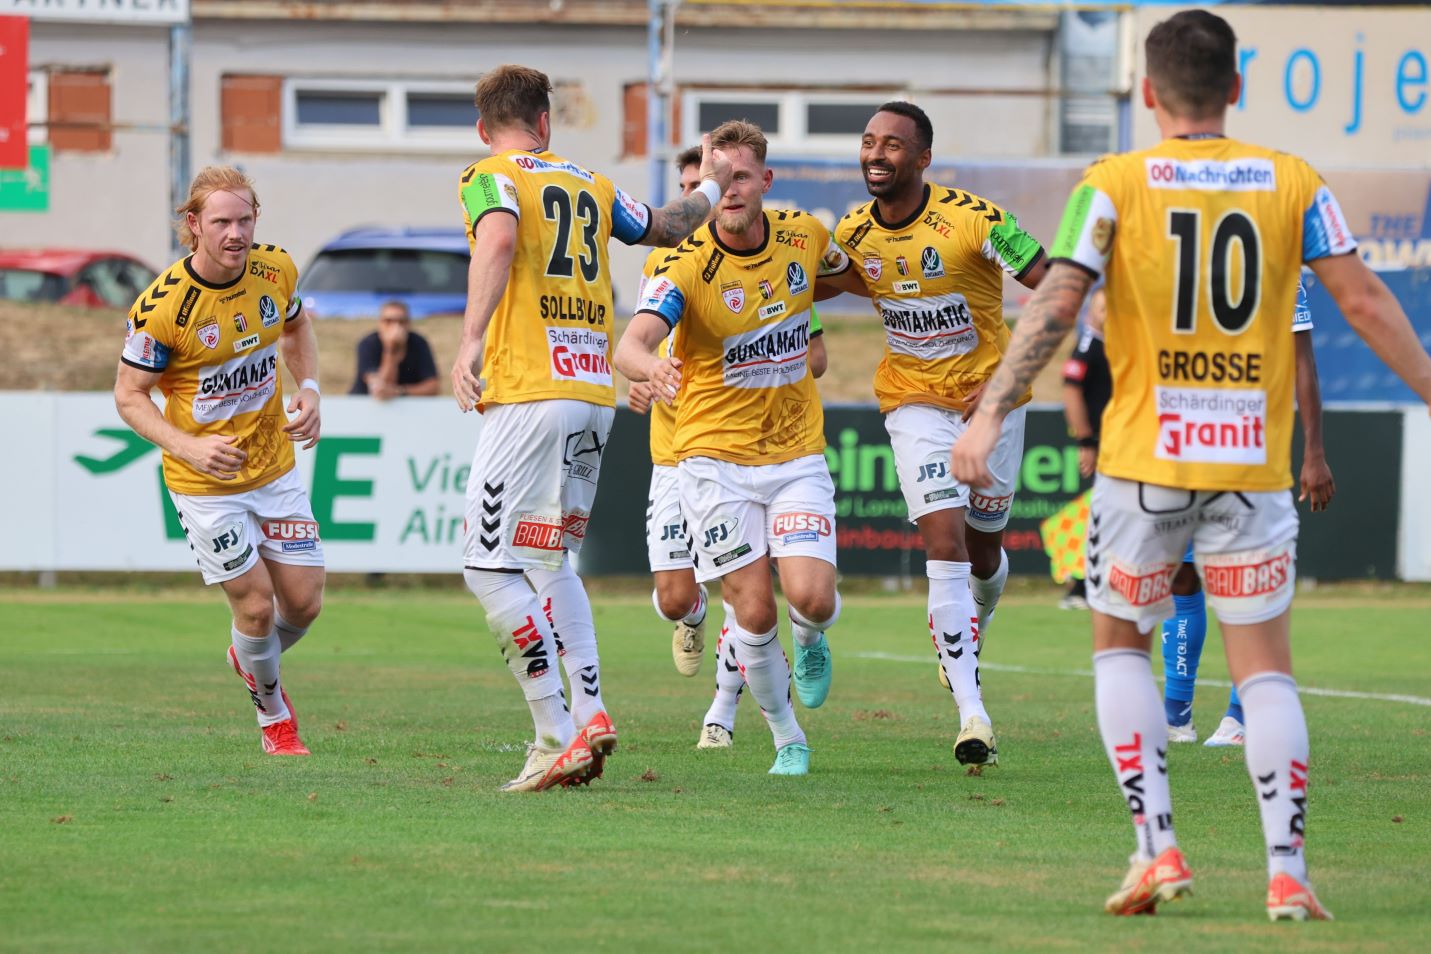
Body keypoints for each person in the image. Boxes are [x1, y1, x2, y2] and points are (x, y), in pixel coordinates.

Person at [950, 9, 1431, 920]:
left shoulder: (1113, 183)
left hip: (1142, 465)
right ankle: (1286, 871)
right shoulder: (1294, 182)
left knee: (1116, 648)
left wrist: (988, 411)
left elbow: (1055, 304)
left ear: (1146, 92)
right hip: (1250, 464)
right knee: (1266, 672)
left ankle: (1155, 849)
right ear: (1236, 88)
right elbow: (1363, 300)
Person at [450, 65, 733, 793]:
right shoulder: (589, 182)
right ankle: (595, 711)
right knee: (550, 564)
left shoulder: (488, 176)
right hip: (590, 391)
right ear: (545, 122)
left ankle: (553, 732)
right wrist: (713, 182)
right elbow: (667, 227)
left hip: (526, 394)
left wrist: (468, 342)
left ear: (487, 128)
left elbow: (499, 241)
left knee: (486, 568)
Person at [614, 120, 863, 776]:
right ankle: (787, 738)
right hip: (710, 461)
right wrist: (649, 370)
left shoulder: (803, 235)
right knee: (750, 609)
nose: (726, 190)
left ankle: (809, 638)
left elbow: (848, 279)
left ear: (765, 182)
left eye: (740, 177)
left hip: (793, 455)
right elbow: (631, 345)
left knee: (810, 599)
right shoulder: (682, 263)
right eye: (714, 179)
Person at [834, 101, 1048, 768]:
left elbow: (1053, 284)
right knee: (944, 541)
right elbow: (817, 282)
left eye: (892, 144)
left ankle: (974, 621)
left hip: (993, 405)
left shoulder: (974, 220)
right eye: (869, 141)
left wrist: (1009, 378)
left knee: (984, 553)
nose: (876, 153)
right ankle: (971, 713)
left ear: (922, 158)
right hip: (913, 403)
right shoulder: (852, 231)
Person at [114, 165, 325, 757]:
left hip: (274, 467)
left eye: (246, 219)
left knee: (304, 604)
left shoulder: (275, 267)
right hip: (204, 482)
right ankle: (274, 717)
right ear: (193, 225)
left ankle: (249, 658)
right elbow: (129, 395)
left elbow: (297, 326)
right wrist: (189, 446)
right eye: (222, 222)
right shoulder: (162, 309)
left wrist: (309, 390)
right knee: (256, 606)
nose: (237, 233)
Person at [1163, 279, 1336, 747]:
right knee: (1179, 574)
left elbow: (1303, 363)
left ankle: (1241, 716)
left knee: (1244, 580)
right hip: (1184, 441)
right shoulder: (1177, 250)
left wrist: (1313, 452)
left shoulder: (1279, 265)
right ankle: (1175, 717)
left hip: (1248, 445)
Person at [1059, 287, 1111, 610]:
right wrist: (1086, 441)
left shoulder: (1113, 346)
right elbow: (1071, 390)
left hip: (1118, 444)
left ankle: (1094, 584)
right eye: (1102, 309)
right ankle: (1082, 586)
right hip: (1102, 445)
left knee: (1107, 515)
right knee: (1098, 516)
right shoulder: (1089, 346)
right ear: (1090, 314)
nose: (1108, 315)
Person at [349, 300, 439, 399]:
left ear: (408, 323)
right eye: (389, 321)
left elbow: (433, 387)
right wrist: (390, 350)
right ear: (380, 323)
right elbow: (380, 388)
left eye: (401, 321)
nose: (396, 326)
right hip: (364, 403)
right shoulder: (368, 344)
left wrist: (400, 391)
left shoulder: (418, 343)